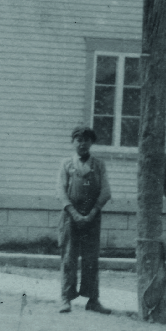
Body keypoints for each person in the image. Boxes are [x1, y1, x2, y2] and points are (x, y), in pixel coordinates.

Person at [57, 126, 112, 314]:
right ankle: (65, 298)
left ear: (92, 143)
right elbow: (61, 191)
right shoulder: (66, 164)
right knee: (69, 258)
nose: (83, 144)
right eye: (79, 140)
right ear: (73, 142)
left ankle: (93, 300)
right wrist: (74, 213)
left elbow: (106, 191)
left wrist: (92, 212)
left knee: (91, 258)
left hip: (92, 218)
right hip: (70, 218)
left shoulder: (99, 165)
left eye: (87, 140)